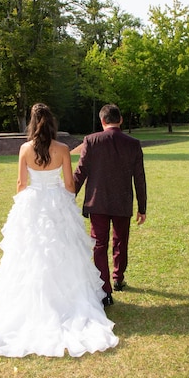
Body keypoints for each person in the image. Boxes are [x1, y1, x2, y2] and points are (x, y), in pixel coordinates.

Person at [0, 103, 118, 357]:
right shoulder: (61, 149)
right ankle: (67, 303)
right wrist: (61, 198)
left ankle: (33, 305)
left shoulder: (25, 149)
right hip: (56, 202)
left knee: (31, 253)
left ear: (31, 123)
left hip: (32, 203)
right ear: (52, 123)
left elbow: (20, 183)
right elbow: (70, 184)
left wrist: (24, 206)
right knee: (63, 251)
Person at [73, 104, 147, 307]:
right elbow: (139, 178)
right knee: (121, 240)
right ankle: (118, 277)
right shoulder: (133, 143)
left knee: (99, 245)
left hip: (98, 201)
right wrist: (142, 207)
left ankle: (104, 289)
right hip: (122, 201)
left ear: (102, 121)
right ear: (120, 120)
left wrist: (68, 194)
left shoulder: (91, 140)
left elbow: (81, 172)